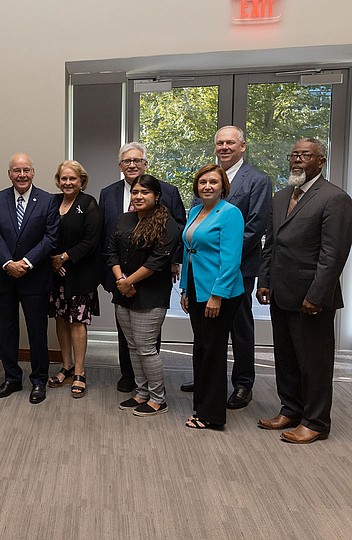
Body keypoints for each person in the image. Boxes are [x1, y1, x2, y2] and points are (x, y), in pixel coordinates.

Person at [257, 138, 352, 444]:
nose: (297, 160)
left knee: (314, 363)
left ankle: (316, 422)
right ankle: (291, 409)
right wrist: (264, 281)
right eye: (294, 155)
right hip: (281, 293)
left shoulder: (335, 199)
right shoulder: (282, 195)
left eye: (305, 155)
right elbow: (271, 242)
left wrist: (317, 295)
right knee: (285, 357)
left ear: (320, 161)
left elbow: (333, 254)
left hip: (312, 298)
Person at [180, 126, 272, 410]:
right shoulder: (207, 179)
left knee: (239, 327)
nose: (224, 147)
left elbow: (255, 226)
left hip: (238, 268)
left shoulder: (258, 180)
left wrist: (224, 259)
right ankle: (209, 377)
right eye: (220, 142)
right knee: (207, 330)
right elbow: (197, 225)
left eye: (230, 142)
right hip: (203, 269)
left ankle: (243, 383)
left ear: (242, 146)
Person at [99, 142, 186, 392]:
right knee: (126, 332)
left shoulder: (167, 191)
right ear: (120, 165)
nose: (132, 165)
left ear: (146, 163)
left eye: (137, 160)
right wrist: (116, 276)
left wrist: (173, 261)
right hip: (119, 275)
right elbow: (107, 235)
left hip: (152, 275)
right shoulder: (108, 193)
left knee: (146, 335)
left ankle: (151, 384)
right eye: (127, 161)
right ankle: (130, 376)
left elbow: (178, 228)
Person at [0, 153, 59, 404]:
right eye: (16, 170)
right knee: (7, 330)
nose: (21, 175)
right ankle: (12, 379)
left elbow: (50, 238)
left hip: (35, 277)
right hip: (5, 275)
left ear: (33, 172)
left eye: (26, 170)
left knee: (37, 332)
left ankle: (39, 381)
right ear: (10, 174)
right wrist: (8, 263)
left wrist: (26, 263)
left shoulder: (48, 201)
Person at [106, 175, 180, 416]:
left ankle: (158, 398)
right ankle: (141, 392)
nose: (138, 196)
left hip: (150, 294)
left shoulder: (167, 224)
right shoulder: (124, 219)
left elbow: (157, 261)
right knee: (132, 346)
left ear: (156, 196)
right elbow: (111, 252)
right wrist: (120, 280)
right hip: (123, 291)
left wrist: (128, 281)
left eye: (144, 193)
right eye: (135, 192)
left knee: (146, 348)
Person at [180, 164, 245, 430]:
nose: (207, 186)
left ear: (223, 186)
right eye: (203, 182)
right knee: (201, 348)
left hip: (220, 292)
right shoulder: (196, 211)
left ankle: (212, 415)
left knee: (214, 351)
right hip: (196, 288)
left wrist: (217, 295)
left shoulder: (230, 214)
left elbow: (231, 260)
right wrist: (185, 288)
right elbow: (188, 252)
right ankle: (202, 404)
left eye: (213, 182)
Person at [46, 160, 102, 398]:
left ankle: (80, 371)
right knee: (60, 318)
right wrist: (52, 260)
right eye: (64, 178)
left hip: (79, 273)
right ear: (58, 181)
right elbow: (43, 233)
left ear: (82, 181)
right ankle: (66, 366)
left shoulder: (88, 204)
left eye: (73, 178)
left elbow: (92, 240)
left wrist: (64, 258)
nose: (67, 182)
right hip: (55, 274)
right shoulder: (52, 202)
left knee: (77, 321)